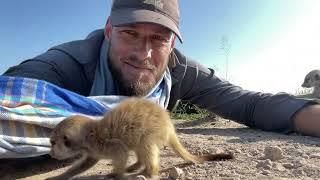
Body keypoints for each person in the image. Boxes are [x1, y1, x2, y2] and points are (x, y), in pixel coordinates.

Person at [3, 0, 320, 137]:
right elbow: (12, 97)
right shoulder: (67, 63)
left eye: (159, 38)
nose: (145, 54)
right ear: (110, 31)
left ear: (172, 44)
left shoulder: (178, 70)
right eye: (130, 34)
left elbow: (247, 103)